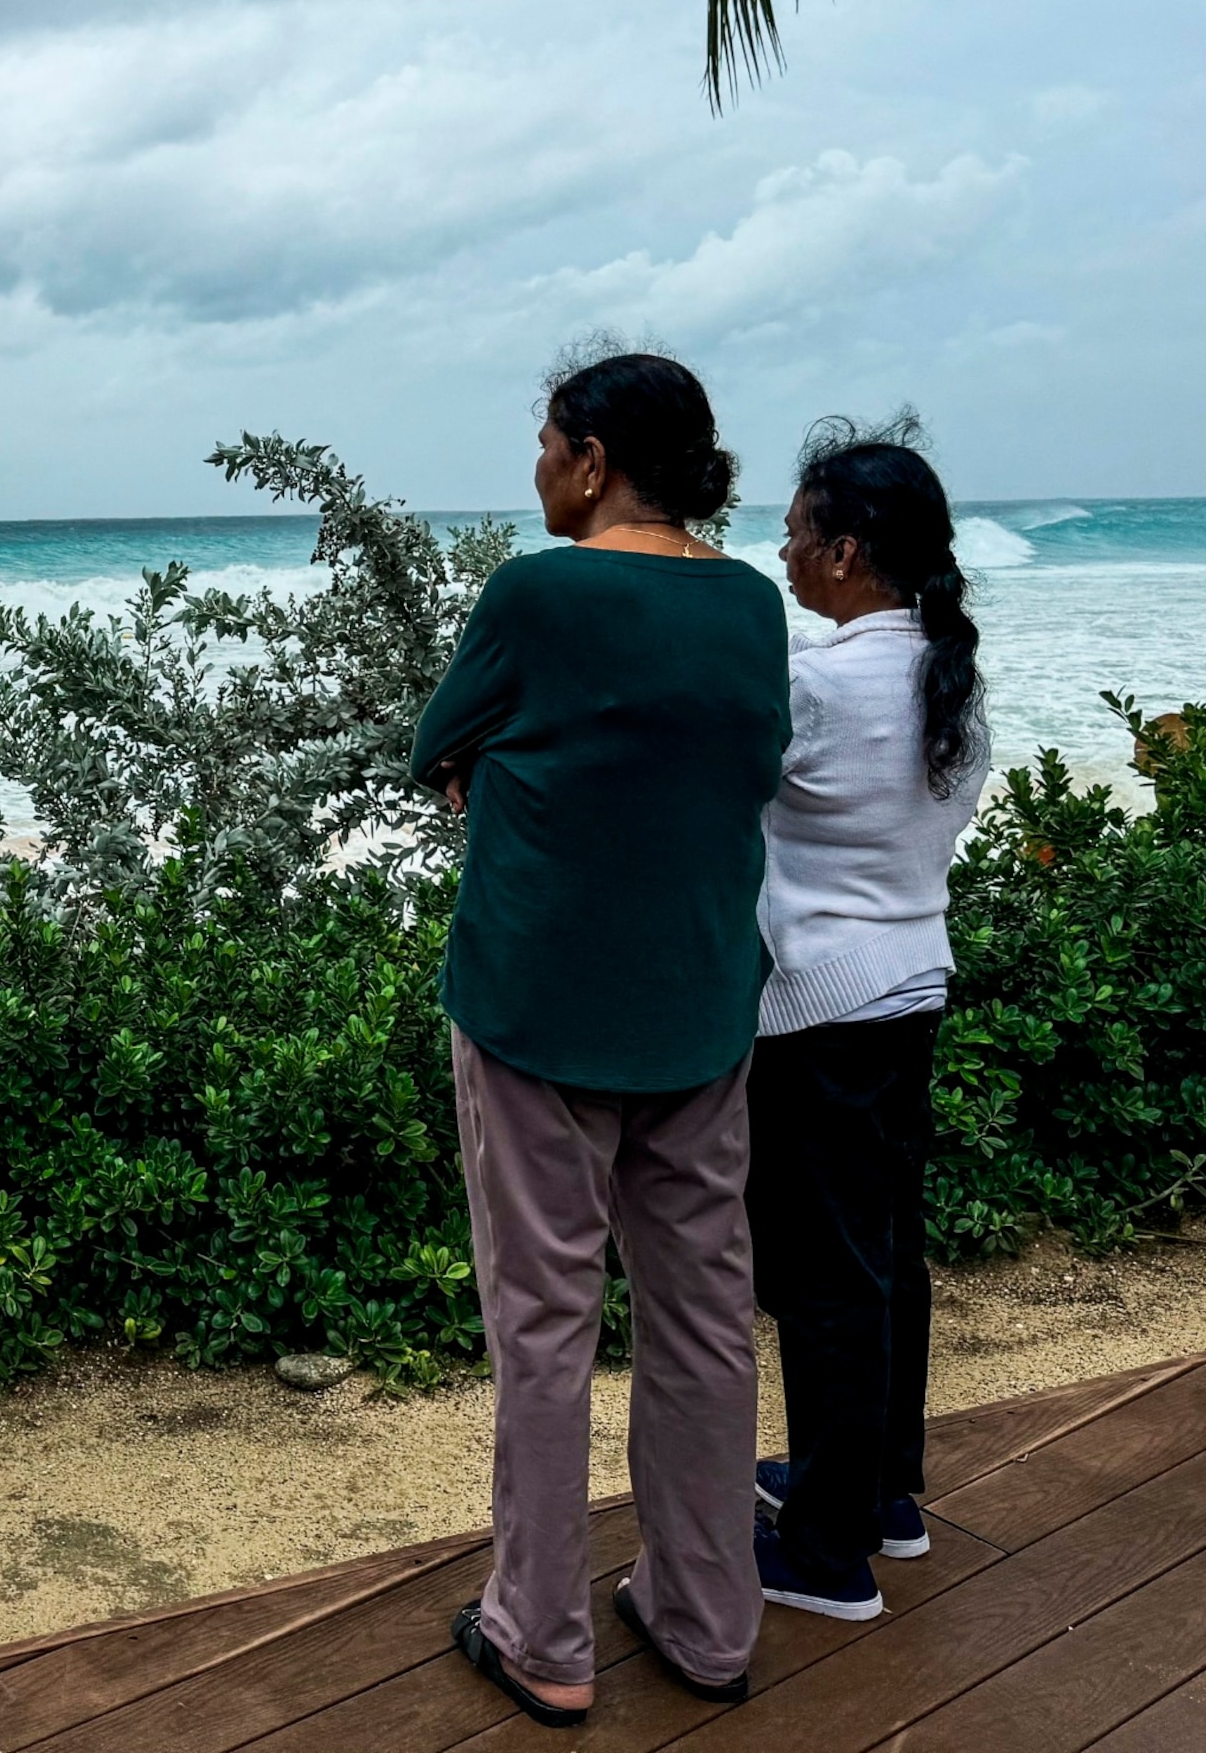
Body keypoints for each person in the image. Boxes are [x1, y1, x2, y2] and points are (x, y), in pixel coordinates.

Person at [409, 351, 791, 1728]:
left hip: (538, 1008)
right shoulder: (750, 603)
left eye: (545, 443)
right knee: (703, 1323)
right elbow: (736, 763)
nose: (536, 469)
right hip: (699, 1007)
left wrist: (496, 771)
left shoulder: (539, 589)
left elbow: (439, 743)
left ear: (586, 459)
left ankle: (541, 1633)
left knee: (544, 1322)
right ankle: (703, 1621)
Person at [747, 418, 987, 1622]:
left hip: (820, 1012)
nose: (782, 553)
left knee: (827, 1279)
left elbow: (719, 781)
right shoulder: (948, 675)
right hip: (908, 989)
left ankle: (828, 1552)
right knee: (886, 1255)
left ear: (845, 551)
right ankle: (884, 1493)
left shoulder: (814, 680)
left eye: (795, 534)